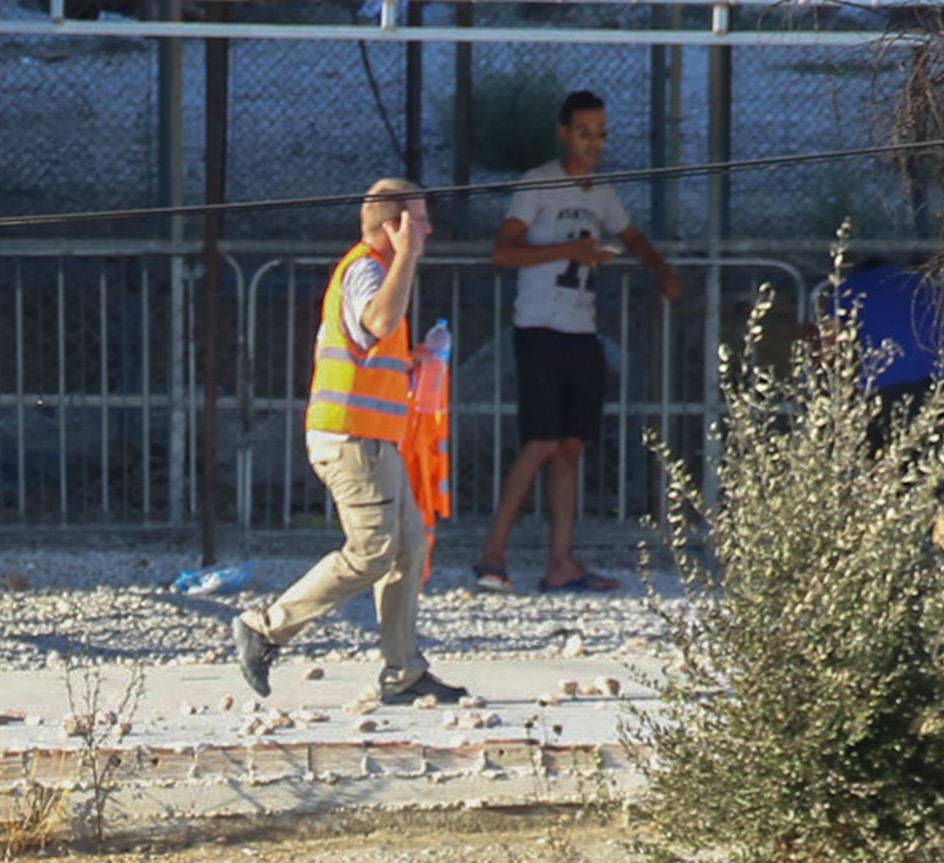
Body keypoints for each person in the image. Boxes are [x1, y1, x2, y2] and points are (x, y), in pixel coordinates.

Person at [234, 179, 465, 709]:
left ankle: (404, 672)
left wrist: (417, 363)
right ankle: (265, 629)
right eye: (419, 220)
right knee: (372, 552)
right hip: (352, 440)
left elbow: (372, 351)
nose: (428, 229)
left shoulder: (380, 272)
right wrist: (406, 255)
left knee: (409, 547)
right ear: (394, 226)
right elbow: (378, 321)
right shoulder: (367, 268)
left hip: (374, 440)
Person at [474, 89, 679, 594]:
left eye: (601, 134)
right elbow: (503, 251)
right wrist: (571, 250)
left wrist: (660, 270)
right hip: (540, 327)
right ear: (565, 133)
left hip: (580, 329)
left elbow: (630, 236)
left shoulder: (601, 192)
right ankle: (492, 553)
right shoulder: (538, 184)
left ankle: (561, 562)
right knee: (541, 440)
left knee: (570, 446)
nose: (594, 143)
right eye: (584, 133)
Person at [826, 255, 944, 450]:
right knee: (926, 450)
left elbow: (830, 341)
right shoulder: (920, 284)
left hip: (880, 379)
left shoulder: (847, 289)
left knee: (877, 452)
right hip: (932, 376)